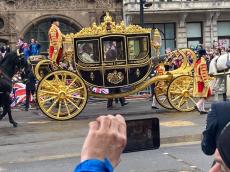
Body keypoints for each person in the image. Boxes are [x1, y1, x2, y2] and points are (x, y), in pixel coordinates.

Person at [193, 48, 211, 114]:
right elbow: (203, 73)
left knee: (202, 95)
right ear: (203, 55)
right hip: (202, 81)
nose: (206, 56)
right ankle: (198, 105)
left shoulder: (197, 62)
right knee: (207, 94)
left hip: (197, 80)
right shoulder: (202, 62)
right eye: (205, 55)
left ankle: (202, 110)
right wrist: (206, 81)